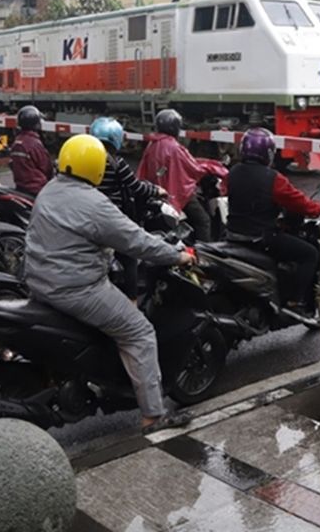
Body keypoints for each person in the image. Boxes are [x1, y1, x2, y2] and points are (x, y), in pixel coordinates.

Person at [24, 134, 194, 432]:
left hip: (39, 282)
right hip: (77, 289)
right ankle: (154, 416)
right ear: (96, 167)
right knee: (139, 332)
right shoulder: (94, 203)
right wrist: (177, 257)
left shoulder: (49, 190)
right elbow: (136, 241)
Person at [225, 127, 320, 316]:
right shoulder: (273, 178)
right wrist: (318, 208)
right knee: (310, 254)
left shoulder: (233, 172)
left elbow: (223, 191)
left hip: (233, 235)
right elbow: (298, 201)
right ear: (269, 153)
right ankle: (296, 302)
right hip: (262, 238)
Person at [90, 116, 166, 301]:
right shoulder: (117, 162)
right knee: (129, 255)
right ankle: (132, 301)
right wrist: (156, 190)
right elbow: (136, 187)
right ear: (116, 139)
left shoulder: (88, 160)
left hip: (90, 214)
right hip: (112, 215)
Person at [137, 109, 214, 241]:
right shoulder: (175, 147)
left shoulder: (151, 144)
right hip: (175, 193)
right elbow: (194, 168)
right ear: (175, 127)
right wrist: (211, 167)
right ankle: (204, 253)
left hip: (155, 193)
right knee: (203, 221)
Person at [9, 105, 53, 196]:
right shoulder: (34, 144)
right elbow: (47, 168)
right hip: (38, 190)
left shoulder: (16, 142)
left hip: (20, 187)